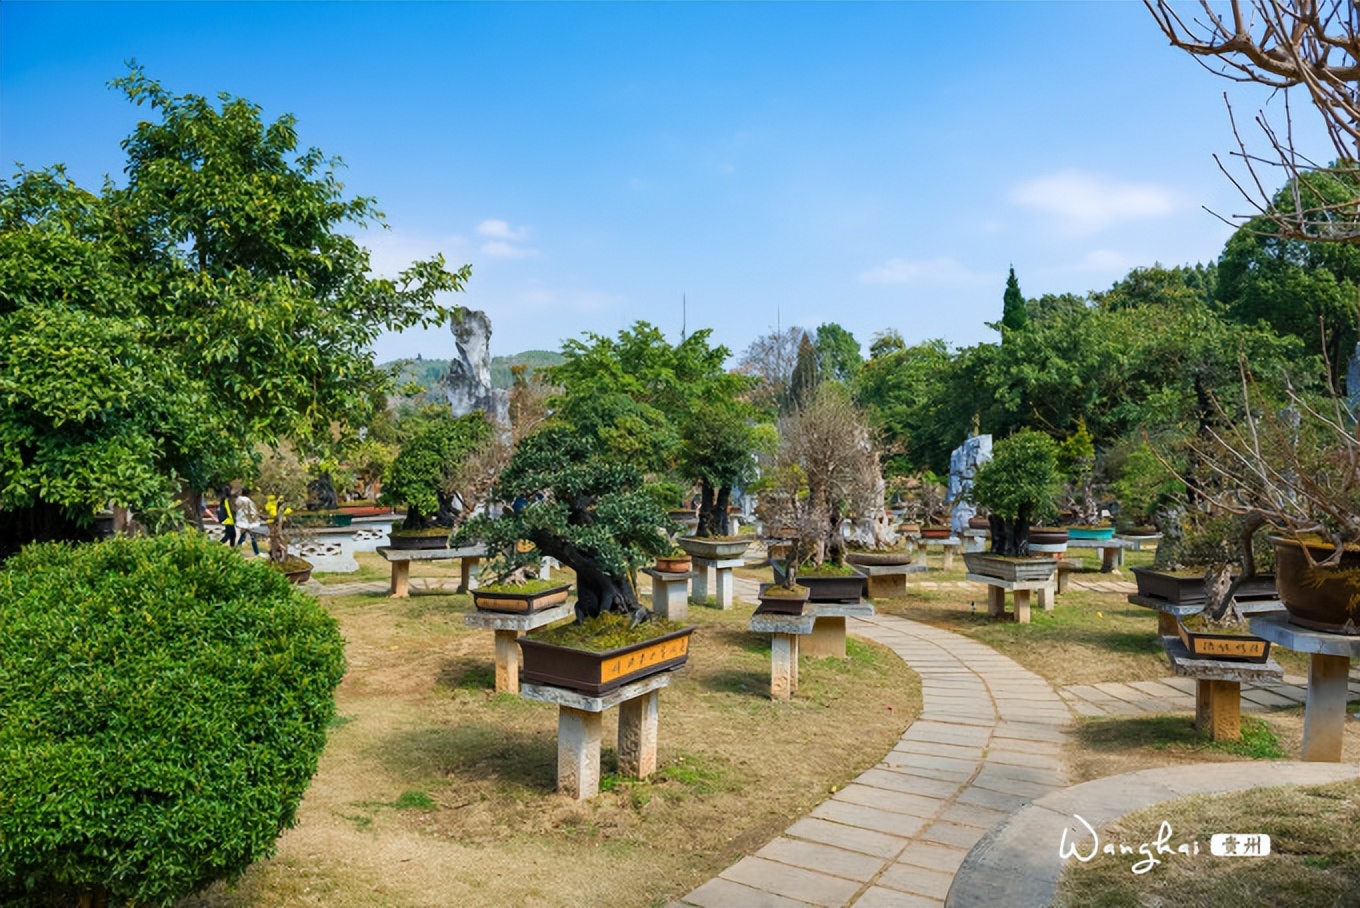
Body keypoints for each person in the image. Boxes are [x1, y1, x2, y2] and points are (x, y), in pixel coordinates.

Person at [234, 488, 261, 556]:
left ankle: (236, 550)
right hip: (247, 521)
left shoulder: (238, 499)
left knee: (243, 535)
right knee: (252, 536)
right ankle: (256, 552)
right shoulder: (248, 500)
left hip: (240, 520)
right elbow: (252, 510)